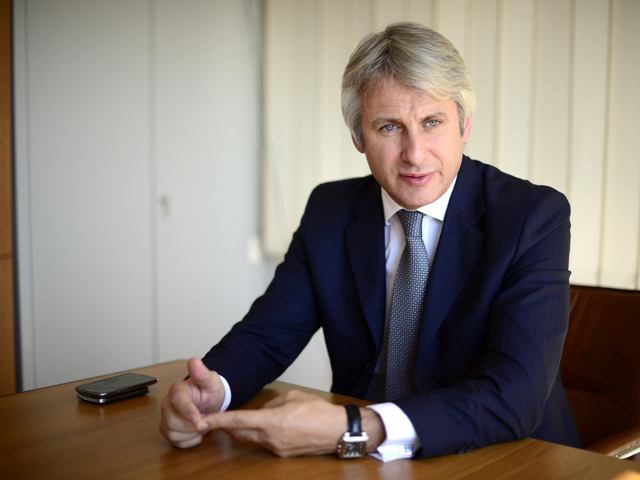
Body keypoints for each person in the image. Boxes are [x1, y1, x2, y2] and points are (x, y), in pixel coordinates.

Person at [159, 21, 580, 461]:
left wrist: (356, 427)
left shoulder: (531, 216)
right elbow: (267, 336)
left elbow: (514, 395)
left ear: (465, 124)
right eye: (389, 128)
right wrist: (213, 388)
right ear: (359, 138)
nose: (415, 154)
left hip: (505, 457)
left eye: (432, 122)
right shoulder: (329, 210)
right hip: (366, 462)